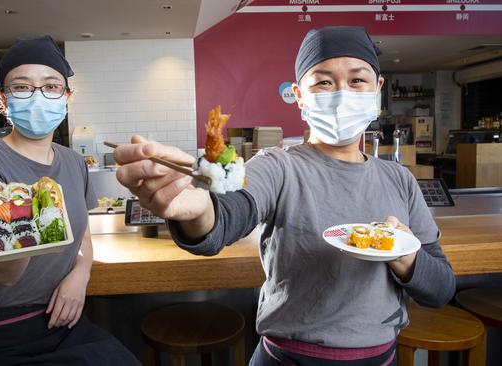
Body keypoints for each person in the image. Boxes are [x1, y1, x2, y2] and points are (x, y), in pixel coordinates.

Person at [113, 26, 455, 366]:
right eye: (323, 82)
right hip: (287, 357)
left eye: (356, 81)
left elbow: (440, 289)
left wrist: (406, 257)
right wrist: (202, 208)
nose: (341, 94)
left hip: (380, 358)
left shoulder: (399, 179)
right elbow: (232, 211)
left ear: (377, 88)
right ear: (299, 95)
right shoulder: (278, 167)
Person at [0, 36, 139, 365]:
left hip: (61, 323)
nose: (38, 97)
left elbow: (83, 237)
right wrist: (29, 220)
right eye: (22, 87)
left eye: (51, 87)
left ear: (66, 99)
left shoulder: (73, 162)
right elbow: (2, 274)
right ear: (2, 100)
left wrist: (80, 275)